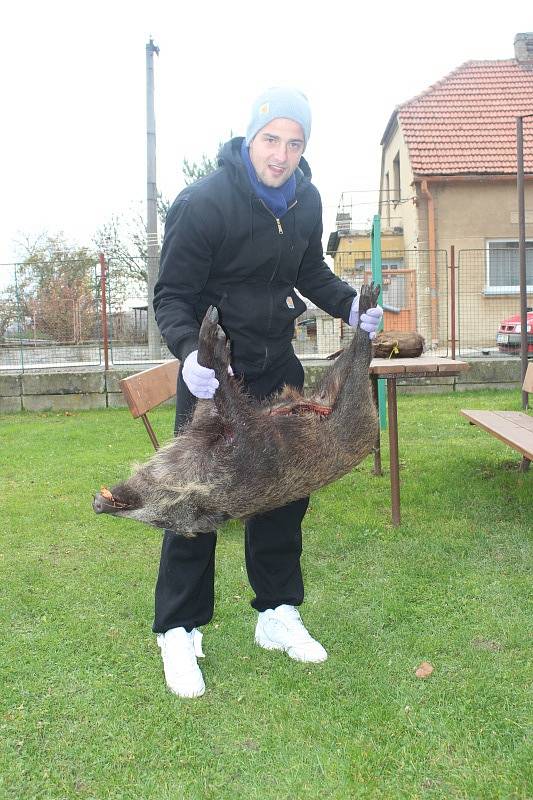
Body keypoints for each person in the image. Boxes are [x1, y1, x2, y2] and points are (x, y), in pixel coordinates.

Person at [152, 87, 383, 698]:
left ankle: (277, 614)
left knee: (284, 494)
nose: (282, 154)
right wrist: (187, 357)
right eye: (272, 139)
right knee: (196, 500)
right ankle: (179, 628)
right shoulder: (203, 203)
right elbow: (172, 295)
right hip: (214, 375)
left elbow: (309, 271)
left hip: (277, 366)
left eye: (295, 141)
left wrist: (349, 304)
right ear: (251, 137)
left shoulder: (305, 202)